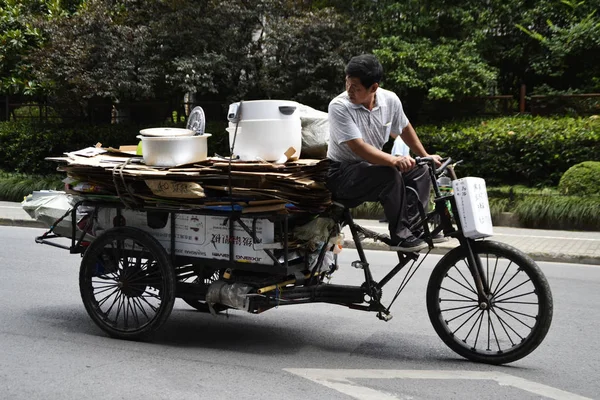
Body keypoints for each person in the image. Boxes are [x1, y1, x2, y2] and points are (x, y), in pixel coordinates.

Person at [326, 54, 441, 252]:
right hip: (341, 173)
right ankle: (400, 236)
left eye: (356, 87)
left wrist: (425, 155)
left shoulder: (390, 100)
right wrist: (393, 160)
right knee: (389, 174)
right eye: (347, 83)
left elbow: (404, 128)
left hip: (370, 168)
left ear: (374, 88)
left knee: (420, 169)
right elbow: (358, 148)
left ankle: (414, 227)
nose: (349, 90)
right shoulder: (339, 106)